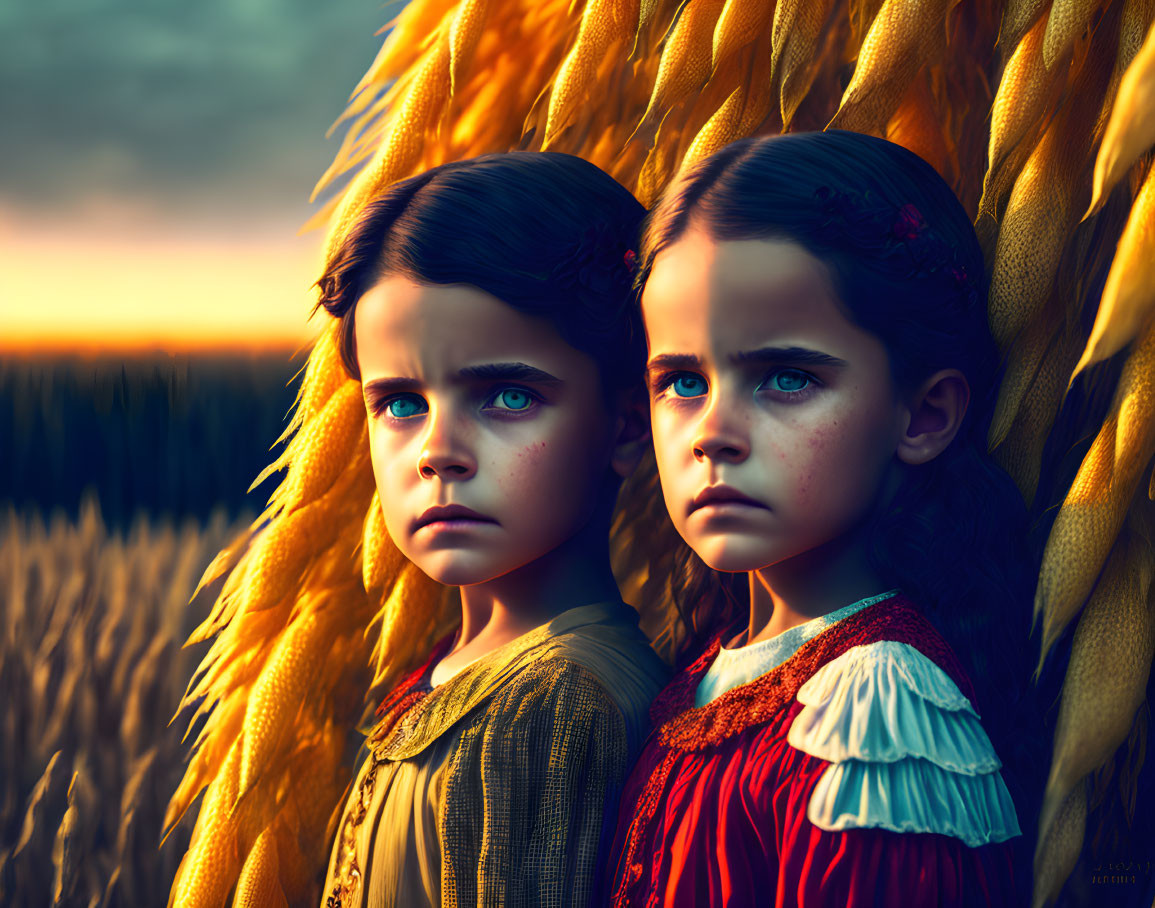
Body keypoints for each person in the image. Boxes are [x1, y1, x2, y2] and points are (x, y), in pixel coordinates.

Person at [166, 152, 669, 907]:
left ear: (628, 424)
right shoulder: (469, 671)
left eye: (506, 395)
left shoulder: (553, 702)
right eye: (399, 403)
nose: (438, 451)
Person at [606, 131, 1036, 907]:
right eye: (679, 381)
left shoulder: (878, 708)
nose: (711, 431)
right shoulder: (707, 672)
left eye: (786, 377)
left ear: (923, 413)